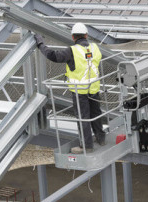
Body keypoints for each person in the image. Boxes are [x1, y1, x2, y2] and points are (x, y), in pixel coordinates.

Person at [35, 23, 106, 153]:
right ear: (86, 35)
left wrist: (41, 44)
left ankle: (87, 146)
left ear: (73, 37)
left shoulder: (72, 51)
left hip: (80, 91)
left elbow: (53, 55)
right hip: (94, 87)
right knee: (95, 113)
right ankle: (101, 138)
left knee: (83, 117)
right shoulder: (95, 48)